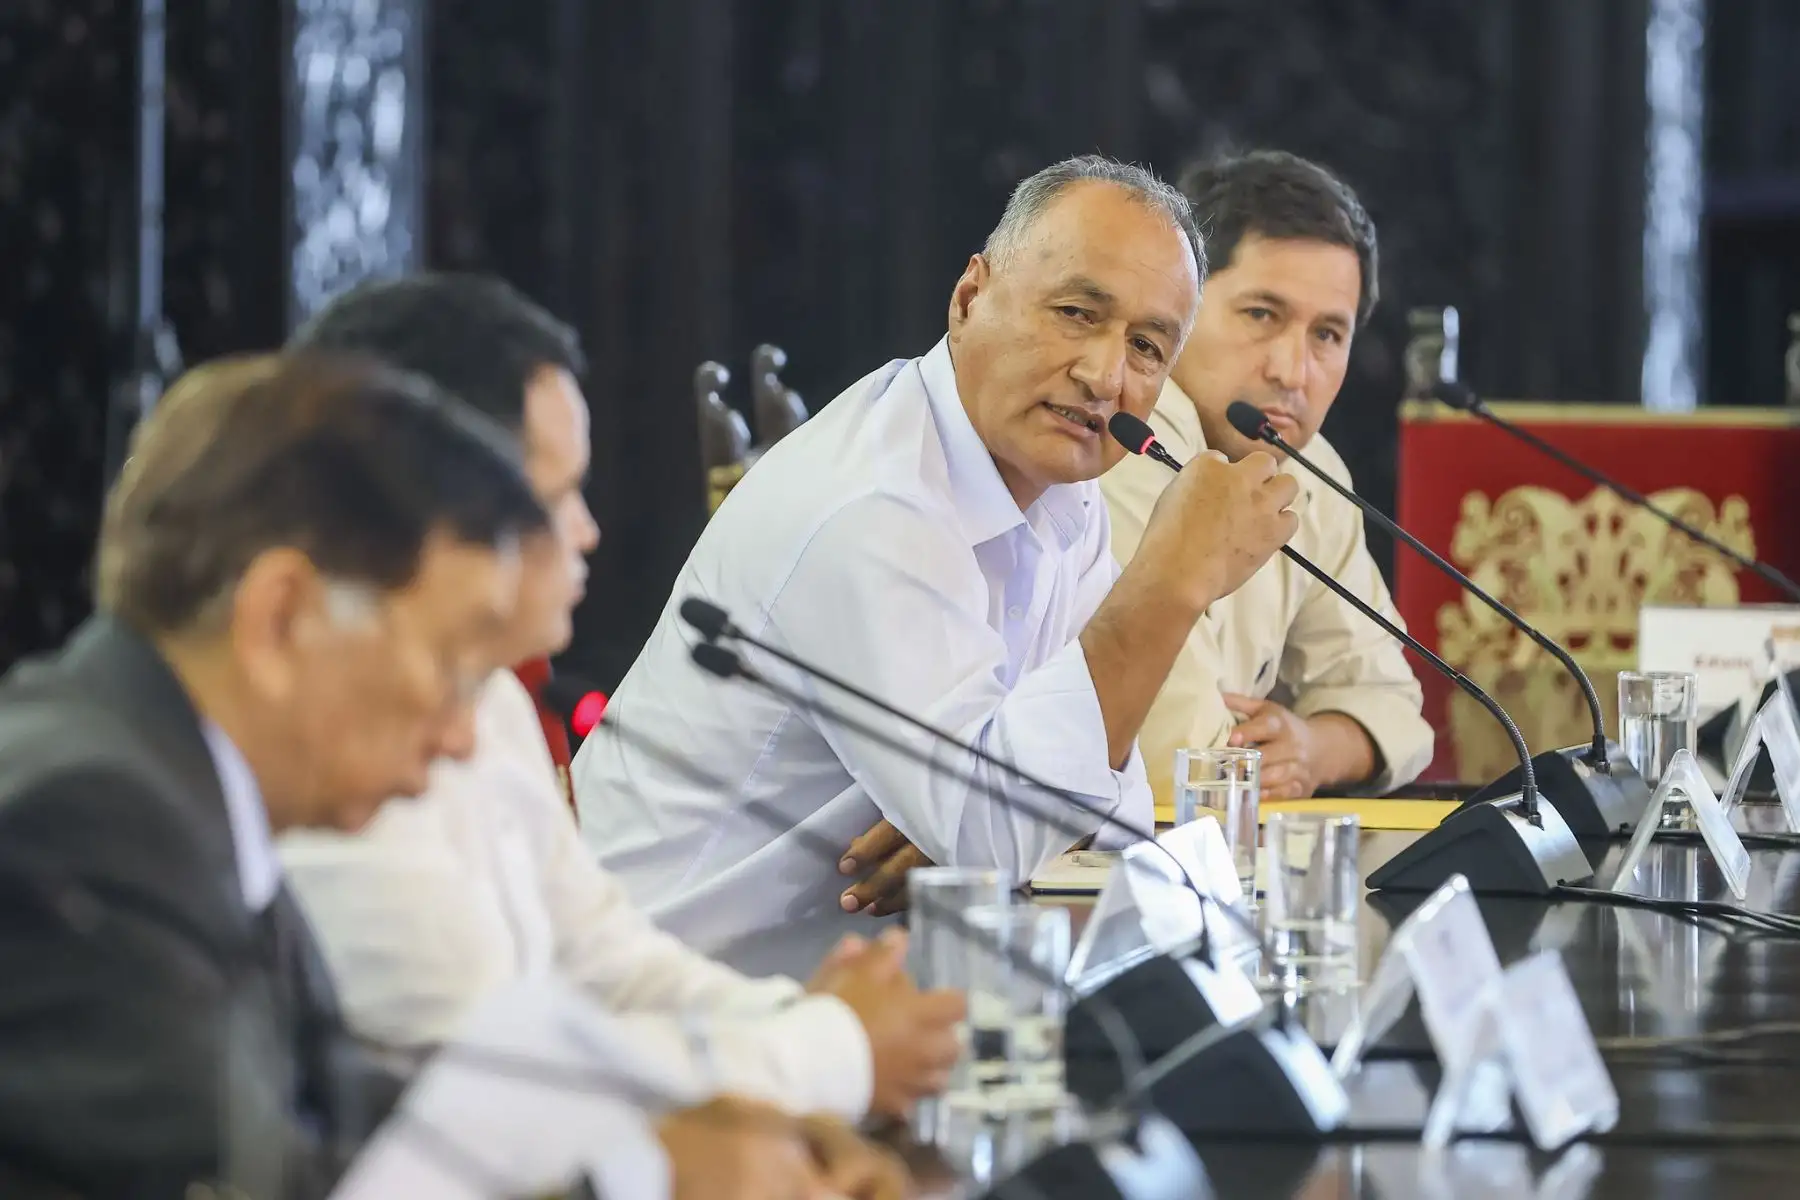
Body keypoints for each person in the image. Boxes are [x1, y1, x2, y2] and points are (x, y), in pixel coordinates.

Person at [572, 155, 1301, 977]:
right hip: (651, 1007)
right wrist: (1173, 584)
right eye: (1074, 313)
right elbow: (1008, 824)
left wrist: (975, 818)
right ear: (969, 298)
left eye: (1145, 346)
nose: (1105, 376)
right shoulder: (874, 505)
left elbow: (1102, 805)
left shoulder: (1065, 494)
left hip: (838, 1004)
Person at [278, 274, 961, 1144]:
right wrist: (833, 1051)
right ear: (409, 502)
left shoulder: (483, 696)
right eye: (553, 498)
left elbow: (606, 957)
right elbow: (508, 1085)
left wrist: (820, 1022)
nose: (587, 532)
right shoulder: (319, 754)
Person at [0, 355, 547, 1196]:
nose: (464, 737)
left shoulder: (180, 790)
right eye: (451, 664)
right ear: (281, 617)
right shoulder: (89, 821)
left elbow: (341, 1110)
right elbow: (259, 1182)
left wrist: (647, 1152)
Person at [1098, 150, 1432, 807]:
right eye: (1262, 315)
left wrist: (1311, 748)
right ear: (1181, 304)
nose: (1292, 370)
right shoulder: (1126, 439)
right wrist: (1262, 756)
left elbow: (1395, 706)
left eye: (1328, 335)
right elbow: (1184, 765)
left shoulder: (1310, 467)